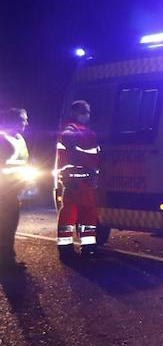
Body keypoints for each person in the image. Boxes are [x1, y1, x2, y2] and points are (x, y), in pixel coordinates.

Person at [55, 100, 101, 259]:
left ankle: (88, 248)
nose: (87, 115)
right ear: (76, 113)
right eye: (85, 112)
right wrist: (89, 170)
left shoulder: (85, 131)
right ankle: (66, 249)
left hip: (86, 181)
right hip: (75, 181)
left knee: (88, 215)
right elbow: (74, 153)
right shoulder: (70, 131)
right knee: (70, 214)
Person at [1, 107, 32, 268]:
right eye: (23, 119)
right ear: (13, 120)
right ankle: (6, 262)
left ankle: (7, 259)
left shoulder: (19, 138)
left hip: (14, 191)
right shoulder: (2, 139)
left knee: (10, 225)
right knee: (5, 226)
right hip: (3, 192)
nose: (26, 122)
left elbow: (24, 163)